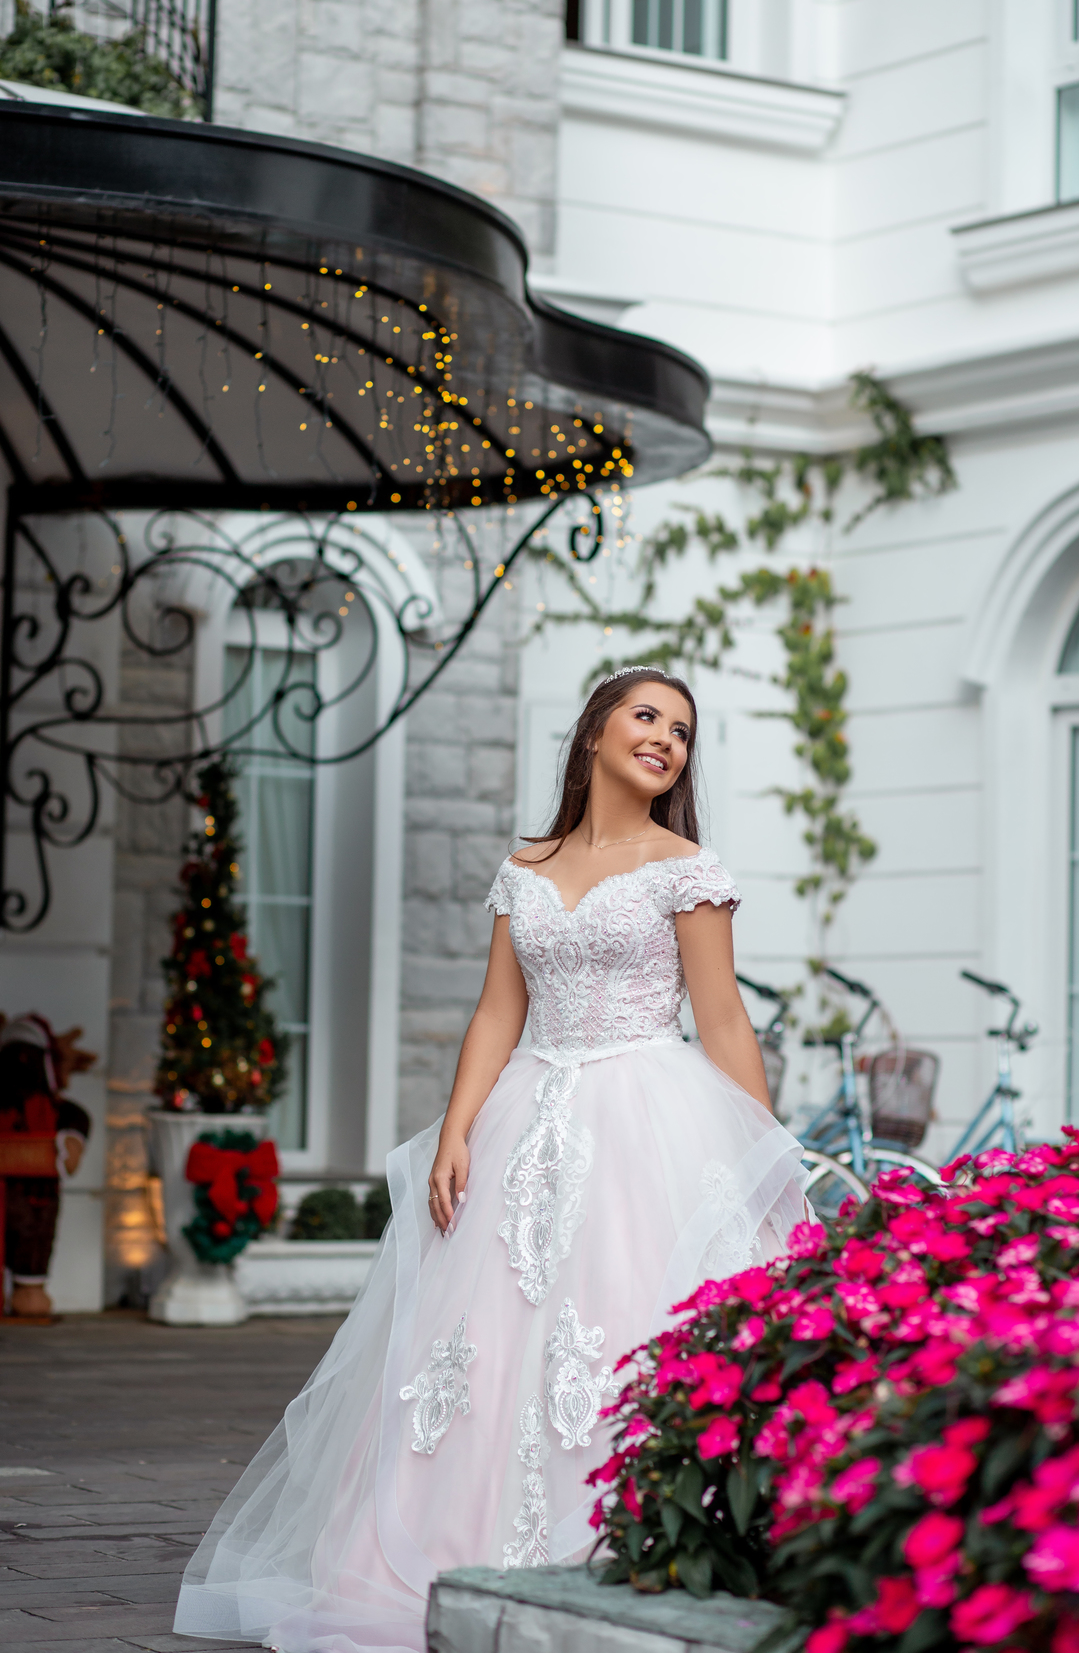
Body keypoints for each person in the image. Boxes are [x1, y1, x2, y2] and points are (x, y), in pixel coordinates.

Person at [175, 668, 812, 1653]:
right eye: (646, 717)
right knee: (474, 1344)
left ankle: (611, 1558)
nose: (665, 741)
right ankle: (432, 1560)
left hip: (647, 1115)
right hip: (524, 1115)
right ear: (596, 729)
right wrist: (459, 1127)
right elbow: (497, 1011)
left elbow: (723, 1020)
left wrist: (761, 1158)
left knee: (613, 1322)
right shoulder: (528, 865)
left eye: (682, 732)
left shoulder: (689, 868)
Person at [0, 1013, 95, 1320]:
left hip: (36, 1194)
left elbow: (75, 1118)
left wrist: (71, 1142)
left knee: (35, 1241)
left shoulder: (54, 1108)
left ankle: (29, 1288)